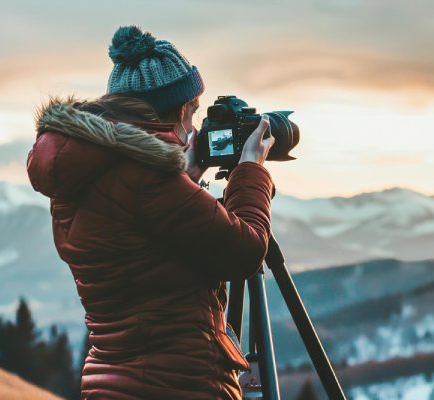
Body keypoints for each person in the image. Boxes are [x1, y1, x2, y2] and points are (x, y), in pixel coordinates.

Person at [26, 26, 275, 399]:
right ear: (176, 110)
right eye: (192, 113)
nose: (194, 128)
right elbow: (245, 251)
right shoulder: (147, 179)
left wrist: (184, 178)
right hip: (178, 384)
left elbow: (141, 248)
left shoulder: (85, 170)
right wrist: (251, 170)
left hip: (110, 381)